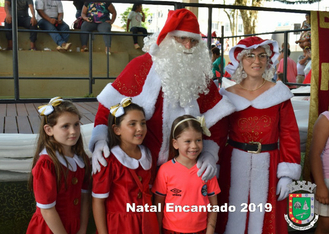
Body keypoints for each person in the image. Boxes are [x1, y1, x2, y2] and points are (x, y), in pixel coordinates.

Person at [88, 9, 235, 183]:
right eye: (182, 38)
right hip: (139, 166)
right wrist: (100, 140)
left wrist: (210, 154)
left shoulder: (200, 77)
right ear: (167, 38)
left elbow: (218, 121)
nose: (188, 46)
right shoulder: (140, 66)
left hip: (184, 168)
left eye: (193, 41)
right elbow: (108, 106)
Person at [215, 36, 301, 234]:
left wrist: (287, 173)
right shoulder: (227, 95)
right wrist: (214, 163)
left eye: (262, 55)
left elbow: (289, 134)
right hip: (232, 165)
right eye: (250, 56)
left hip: (270, 166)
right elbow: (218, 136)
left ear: (268, 59)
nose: (257, 61)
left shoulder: (279, 94)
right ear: (240, 60)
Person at [92, 97, 159, 234]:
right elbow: (98, 202)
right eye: (132, 124)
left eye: (143, 123)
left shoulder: (148, 155)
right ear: (117, 130)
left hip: (147, 223)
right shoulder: (109, 160)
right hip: (120, 227)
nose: (140, 128)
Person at [26, 97, 91, 234]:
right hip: (49, 230)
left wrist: (82, 229)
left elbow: (85, 198)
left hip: (74, 227)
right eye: (65, 126)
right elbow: (47, 210)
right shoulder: (47, 164)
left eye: (76, 124)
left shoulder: (82, 159)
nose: (73, 131)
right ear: (49, 130)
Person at [152, 115, 220, 234]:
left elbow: (214, 206)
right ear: (175, 143)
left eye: (198, 140)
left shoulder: (207, 170)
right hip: (170, 231)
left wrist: (209, 232)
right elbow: (158, 205)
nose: (194, 146)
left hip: (201, 231)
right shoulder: (165, 170)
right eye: (188, 141)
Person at [310, 111, 329, 234]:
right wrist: (321, 186)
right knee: (326, 225)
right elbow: (314, 154)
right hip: (327, 180)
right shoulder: (326, 119)